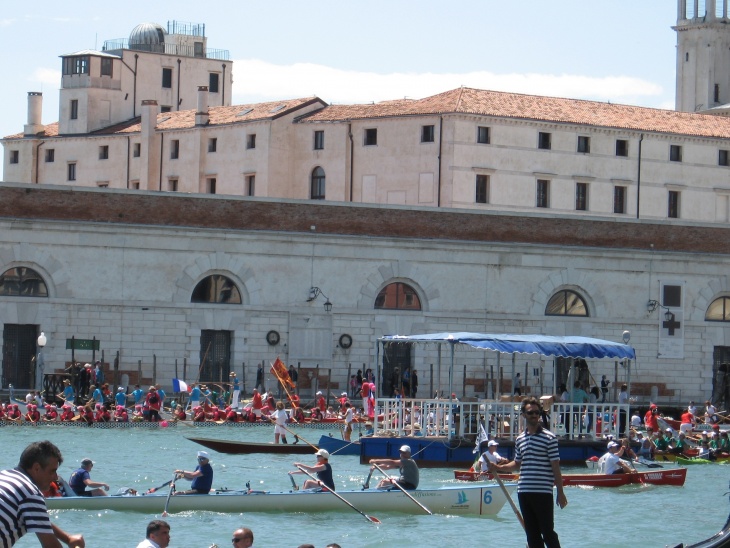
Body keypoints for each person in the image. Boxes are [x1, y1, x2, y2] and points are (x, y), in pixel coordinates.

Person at [490, 397, 567, 548]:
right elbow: (516, 464)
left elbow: (556, 467)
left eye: (537, 413)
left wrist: (560, 492)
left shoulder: (549, 438)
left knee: (547, 531)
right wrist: (498, 467)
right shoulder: (520, 439)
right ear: (524, 414)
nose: (534, 415)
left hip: (543, 492)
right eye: (531, 412)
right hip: (524, 491)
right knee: (532, 534)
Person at [0, 440, 85, 547]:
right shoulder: (30, 493)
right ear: (36, 468)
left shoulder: (5, 476)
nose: (55, 477)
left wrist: (67, 538)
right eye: (52, 471)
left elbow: (38, 519)